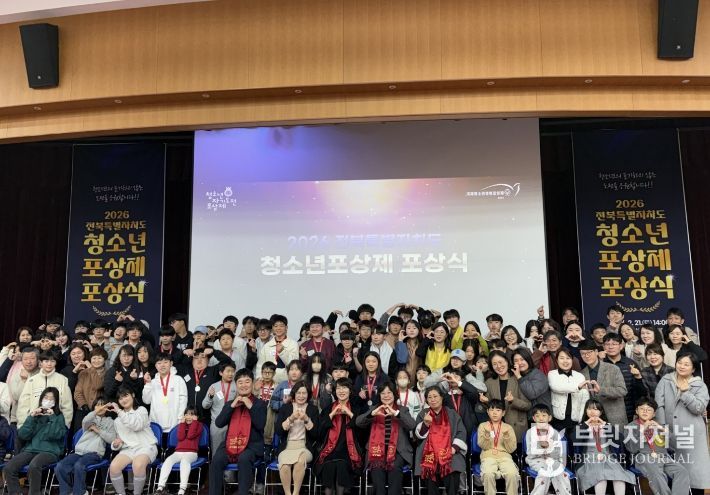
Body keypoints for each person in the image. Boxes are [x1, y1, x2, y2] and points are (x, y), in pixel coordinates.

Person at [655, 352, 710, 495]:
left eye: (686, 364)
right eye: (679, 362)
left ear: (693, 369)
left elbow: (699, 408)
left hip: (691, 434)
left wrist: (686, 393)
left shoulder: (699, 385)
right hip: (668, 432)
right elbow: (658, 404)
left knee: (694, 472)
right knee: (672, 470)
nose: (682, 366)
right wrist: (662, 426)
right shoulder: (666, 380)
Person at [209, 368, 267, 495]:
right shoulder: (231, 403)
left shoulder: (259, 404)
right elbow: (219, 423)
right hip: (230, 444)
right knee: (216, 460)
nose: (244, 385)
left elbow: (260, 425)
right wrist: (231, 406)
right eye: (240, 382)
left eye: (247, 381)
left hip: (251, 446)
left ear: (252, 384)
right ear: (236, 385)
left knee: (244, 459)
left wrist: (250, 406)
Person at [3, 387, 67, 495]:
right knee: (9, 467)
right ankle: (15, 493)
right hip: (31, 449)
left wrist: (52, 417)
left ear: (56, 402)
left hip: (50, 452)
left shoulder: (58, 417)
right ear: (41, 399)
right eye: (46, 397)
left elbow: (54, 435)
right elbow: (23, 435)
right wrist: (31, 417)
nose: (48, 400)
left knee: (34, 466)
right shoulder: (36, 415)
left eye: (51, 399)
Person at [356, 381, 416, 495]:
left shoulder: (402, 410)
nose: (386, 396)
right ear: (379, 396)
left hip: (398, 452)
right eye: (383, 393)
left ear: (394, 394)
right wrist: (371, 414)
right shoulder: (375, 408)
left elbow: (412, 425)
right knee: (377, 470)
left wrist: (396, 414)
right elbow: (358, 422)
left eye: (389, 393)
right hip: (376, 451)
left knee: (395, 468)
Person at [624, 397, 690, 495]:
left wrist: (664, 430)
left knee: (682, 471)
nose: (645, 411)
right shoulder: (630, 427)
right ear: (637, 411)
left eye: (649, 410)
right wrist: (642, 430)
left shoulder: (659, 426)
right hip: (643, 457)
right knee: (655, 471)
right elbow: (631, 448)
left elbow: (675, 446)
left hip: (663, 457)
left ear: (654, 413)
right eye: (642, 409)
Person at [571, 399, 635, 495]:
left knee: (619, 476)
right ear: (585, 411)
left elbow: (620, 440)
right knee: (601, 476)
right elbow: (573, 440)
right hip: (588, 459)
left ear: (601, 412)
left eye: (596, 409)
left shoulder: (607, 426)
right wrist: (586, 425)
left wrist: (605, 425)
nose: (593, 412)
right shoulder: (581, 426)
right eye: (589, 409)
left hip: (609, 458)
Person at [55, 398, 116, 495]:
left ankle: (80, 492)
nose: (100, 407)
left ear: (107, 408)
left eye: (102, 405)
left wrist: (98, 430)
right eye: (97, 405)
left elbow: (112, 439)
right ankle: (67, 492)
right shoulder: (90, 419)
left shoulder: (111, 422)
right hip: (78, 452)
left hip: (94, 453)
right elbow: (85, 421)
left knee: (79, 465)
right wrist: (96, 412)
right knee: (60, 466)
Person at [414, 386, 468, 495]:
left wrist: (454, 448)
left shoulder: (452, 414)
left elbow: (461, 432)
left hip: (449, 453)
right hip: (429, 454)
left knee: (453, 472)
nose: (432, 399)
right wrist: (425, 424)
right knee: (428, 470)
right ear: (426, 400)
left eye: (435, 396)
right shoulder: (423, 414)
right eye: (429, 397)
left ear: (442, 397)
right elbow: (417, 437)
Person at [108, 386, 159, 495]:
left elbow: (136, 426)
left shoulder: (141, 410)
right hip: (128, 449)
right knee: (113, 467)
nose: (123, 400)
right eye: (120, 398)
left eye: (126, 396)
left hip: (146, 446)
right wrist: (116, 444)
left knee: (138, 465)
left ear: (133, 395)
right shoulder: (117, 421)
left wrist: (119, 412)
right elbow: (120, 439)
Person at [315, 378, 362, 495]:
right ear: (335, 391)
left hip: (349, 452)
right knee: (329, 465)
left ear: (350, 390)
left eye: (344, 388)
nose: (341, 391)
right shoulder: (328, 409)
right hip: (330, 450)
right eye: (338, 388)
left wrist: (349, 413)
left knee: (341, 465)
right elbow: (319, 434)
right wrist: (331, 415)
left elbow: (362, 432)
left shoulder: (357, 408)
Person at [275, 381, 319, 495]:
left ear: (308, 395)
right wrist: (291, 418)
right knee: (284, 465)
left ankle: (295, 493)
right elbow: (279, 431)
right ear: (294, 394)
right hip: (287, 447)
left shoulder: (313, 409)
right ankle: (287, 493)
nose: (301, 396)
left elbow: (316, 434)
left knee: (299, 463)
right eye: (298, 393)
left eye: (304, 393)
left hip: (304, 447)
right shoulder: (285, 408)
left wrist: (307, 419)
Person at [482, 350, 531, 442]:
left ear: (507, 361)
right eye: (494, 364)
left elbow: (527, 405)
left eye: (500, 362)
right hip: (496, 429)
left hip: (516, 428)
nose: (498, 366)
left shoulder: (518, 379)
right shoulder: (489, 382)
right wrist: (485, 401)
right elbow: (490, 408)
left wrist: (513, 400)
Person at [578, 339, 627, 429]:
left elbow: (622, 391)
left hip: (614, 417)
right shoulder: (581, 374)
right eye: (583, 354)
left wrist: (601, 390)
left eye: (589, 352)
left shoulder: (613, 369)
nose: (586, 356)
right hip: (593, 420)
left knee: (616, 438)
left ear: (596, 352)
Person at [524, 404, 571, 495]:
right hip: (536, 460)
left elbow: (558, 453)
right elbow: (530, 452)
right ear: (533, 418)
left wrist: (547, 449)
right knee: (544, 473)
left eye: (544, 415)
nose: (541, 418)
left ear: (549, 418)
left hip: (553, 460)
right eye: (537, 416)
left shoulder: (555, 433)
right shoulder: (530, 432)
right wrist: (543, 448)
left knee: (561, 473)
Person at [17, 351, 73, 428]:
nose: (49, 364)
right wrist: (22, 425)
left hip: (55, 424)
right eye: (46, 361)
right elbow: (23, 405)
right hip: (34, 423)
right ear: (41, 363)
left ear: (55, 363)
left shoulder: (62, 380)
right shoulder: (32, 380)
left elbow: (67, 405)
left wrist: (65, 425)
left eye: (52, 361)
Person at [154, 407, 203, 495]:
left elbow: (190, 435)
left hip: (191, 453)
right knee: (168, 461)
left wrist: (195, 422)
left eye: (192, 415)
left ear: (197, 417)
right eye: (186, 414)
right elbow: (180, 437)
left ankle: (182, 489)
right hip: (178, 452)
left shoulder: (199, 425)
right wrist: (182, 424)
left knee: (184, 462)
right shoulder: (182, 425)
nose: (188, 417)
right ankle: (160, 487)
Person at [478, 399, 520, 495]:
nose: (494, 413)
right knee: (488, 474)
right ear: (488, 412)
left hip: (505, 457)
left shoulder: (508, 427)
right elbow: (482, 446)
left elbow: (511, 449)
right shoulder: (483, 426)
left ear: (503, 413)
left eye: (498, 410)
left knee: (512, 473)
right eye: (492, 410)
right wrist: (487, 436)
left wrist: (506, 437)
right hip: (488, 456)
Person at [602, 333, 646, 423]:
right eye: (607, 344)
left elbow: (641, 391)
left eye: (614, 344)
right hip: (605, 410)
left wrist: (638, 377)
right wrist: (600, 360)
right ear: (603, 346)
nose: (610, 347)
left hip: (629, 410)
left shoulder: (630, 363)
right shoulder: (600, 363)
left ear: (621, 346)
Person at [547, 348, 589, 437]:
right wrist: (578, 387)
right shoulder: (552, 374)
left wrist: (581, 419)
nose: (565, 361)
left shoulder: (580, 376)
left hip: (576, 419)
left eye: (568, 358)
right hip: (558, 418)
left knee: (575, 443)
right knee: (560, 443)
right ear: (557, 360)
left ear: (572, 360)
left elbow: (584, 399)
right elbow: (557, 387)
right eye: (562, 358)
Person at [142, 352, 188, 432]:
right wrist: (148, 384)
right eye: (159, 363)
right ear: (156, 366)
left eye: (165, 362)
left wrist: (180, 419)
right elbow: (146, 401)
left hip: (175, 423)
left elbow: (183, 401)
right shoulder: (152, 382)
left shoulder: (178, 380)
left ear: (171, 363)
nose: (162, 365)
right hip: (156, 424)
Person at [202, 360, 238, 452]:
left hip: (233, 424)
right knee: (216, 451)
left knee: (233, 451)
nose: (231, 374)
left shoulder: (237, 386)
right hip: (217, 425)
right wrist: (210, 396)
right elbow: (205, 406)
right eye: (228, 371)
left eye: (232, 371)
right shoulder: (214, 386)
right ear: (221, 373)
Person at [73, 347, 108, 431]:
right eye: (94, 358)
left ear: (104, 360)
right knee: (79, 435)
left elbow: (98, 385)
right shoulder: (83, 373)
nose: (96, 360)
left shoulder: (108, 373)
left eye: (99, 358)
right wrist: (83, 405)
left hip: (100, 411)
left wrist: (91, 369)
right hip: (83, 410)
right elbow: (78, 392)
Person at [257, 314, 298, 383]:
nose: (278, 328)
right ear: (272, 328)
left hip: (288, 381)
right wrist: (259, 379)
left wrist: (282, 352)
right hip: (269, 382)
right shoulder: (267, 346)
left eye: (281, 326)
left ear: (286, 327)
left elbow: (294, 365)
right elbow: (260, 365)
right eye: (276, 326)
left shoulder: (293, 344)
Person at [512, 348, 551, 413]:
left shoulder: (538, 374)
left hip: (542, 414)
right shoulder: (517, 375)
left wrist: (519, 376)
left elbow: (532, 394)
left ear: (528, 360)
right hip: (528, 414)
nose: (519, 363)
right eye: (516, 361)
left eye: (522, 359)